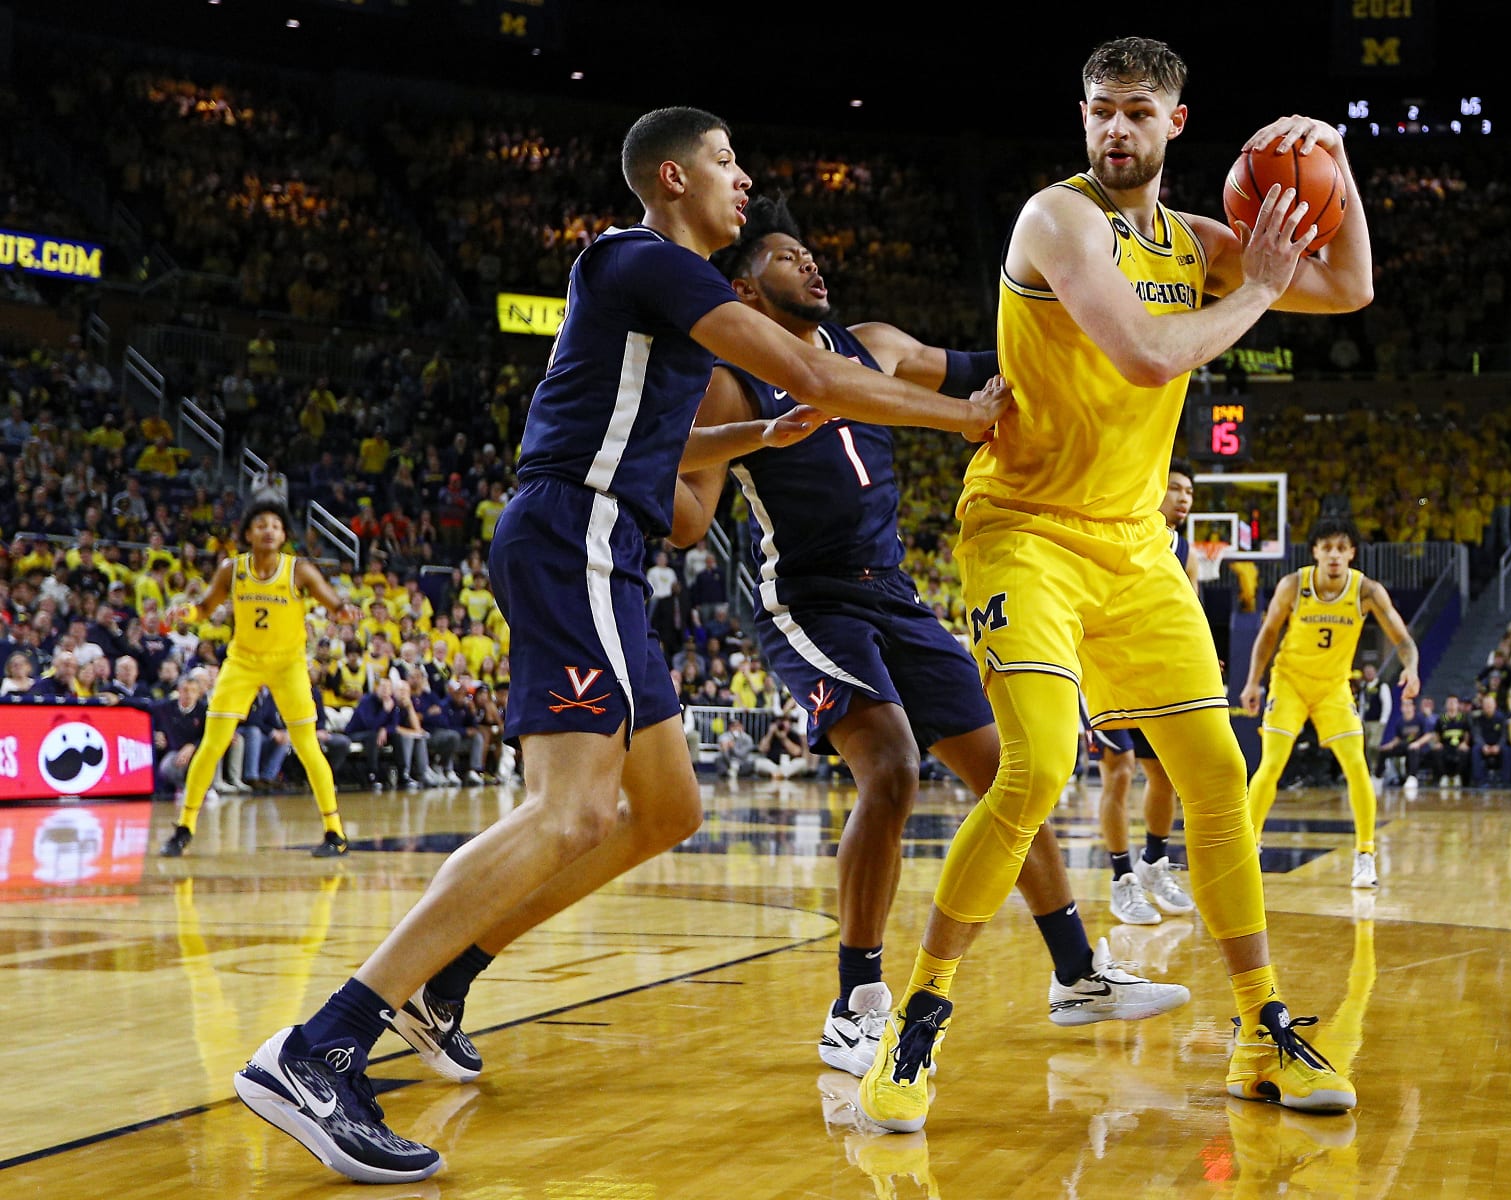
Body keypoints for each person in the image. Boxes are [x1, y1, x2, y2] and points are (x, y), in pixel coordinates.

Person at [236, 106, 1007, 1183]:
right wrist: (968, 418)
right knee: (571, 811)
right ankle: (321, 1045)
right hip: (575, 535)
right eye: (729, 161)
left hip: (613, 544)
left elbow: (689, 513)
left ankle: (444, 980)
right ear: (672, 176)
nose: (746, 181)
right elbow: (825, 379)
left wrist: (756, 438)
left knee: (667, 810)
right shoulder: (643, 258)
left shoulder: (670, 326)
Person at [858, 37, 1373, 1134]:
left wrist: (1336, 156)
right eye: (1101, 110)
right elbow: (1146, 354)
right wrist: (1262, 290)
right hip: (1026, 530)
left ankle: (1259, 1026)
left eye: (1138, 112)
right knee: (1037, 764)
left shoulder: (1195, 241)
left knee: (1217, 777)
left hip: (1136, 547)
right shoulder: (1059, 219)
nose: (1116, 130)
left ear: (1177, 124)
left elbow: (1349, 285)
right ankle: (918, 1017)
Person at [675, 196, 1185, 1077]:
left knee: (1012, 775)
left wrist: (1111, 364)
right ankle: (855, 1002)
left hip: (896, 593)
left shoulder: (876, 344)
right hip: (810, 598)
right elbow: (689, 521)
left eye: (809, 253)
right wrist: (643, 465)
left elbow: (1005, 368)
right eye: (788, 258)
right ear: (747, 293)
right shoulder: (732, 377)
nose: (810, 264)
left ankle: (1076, 975)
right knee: (893, 766)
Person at [160, 502, 356, 858]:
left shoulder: (299, 570)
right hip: (243, 662)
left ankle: (335, 831)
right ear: (248, 533)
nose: (269, 530)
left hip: (289, 665)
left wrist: (345, 611)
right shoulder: (231, 569)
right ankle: (184, 827)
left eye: (276, 526)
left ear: (283, 536)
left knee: (308, 745)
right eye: (261, 524)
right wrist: (182, 613)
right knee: (213, 743)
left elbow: (333, 604)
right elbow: (202, 609)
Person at [1243, 515, 1420, 887]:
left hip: (1333, 688)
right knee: (1271, 763)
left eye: (1341, 548)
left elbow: (1402, 638)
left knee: (1357, 767)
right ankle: (1248, 847)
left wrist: (1412, 668)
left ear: (1352, 553)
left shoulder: (1366, 590)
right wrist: (1252, 682)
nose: (1334, 556)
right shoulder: (1294, 585)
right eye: (1327, 549)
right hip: (1289, 682)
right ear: (1315, 553)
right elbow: (1267, 634)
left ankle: (1366, 854)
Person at [1092, 465, 1200, 923]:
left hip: (1160, 671)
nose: (1183, 497)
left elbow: (1191, 611)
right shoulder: (1115, 529)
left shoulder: (1187, 550)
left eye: (1189, 491)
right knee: (1119, 771)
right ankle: (1122, 879)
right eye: (1174, 487)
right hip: (1110, 665)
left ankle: (1154, 862)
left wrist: (1200, 652)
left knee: (1168, 775)